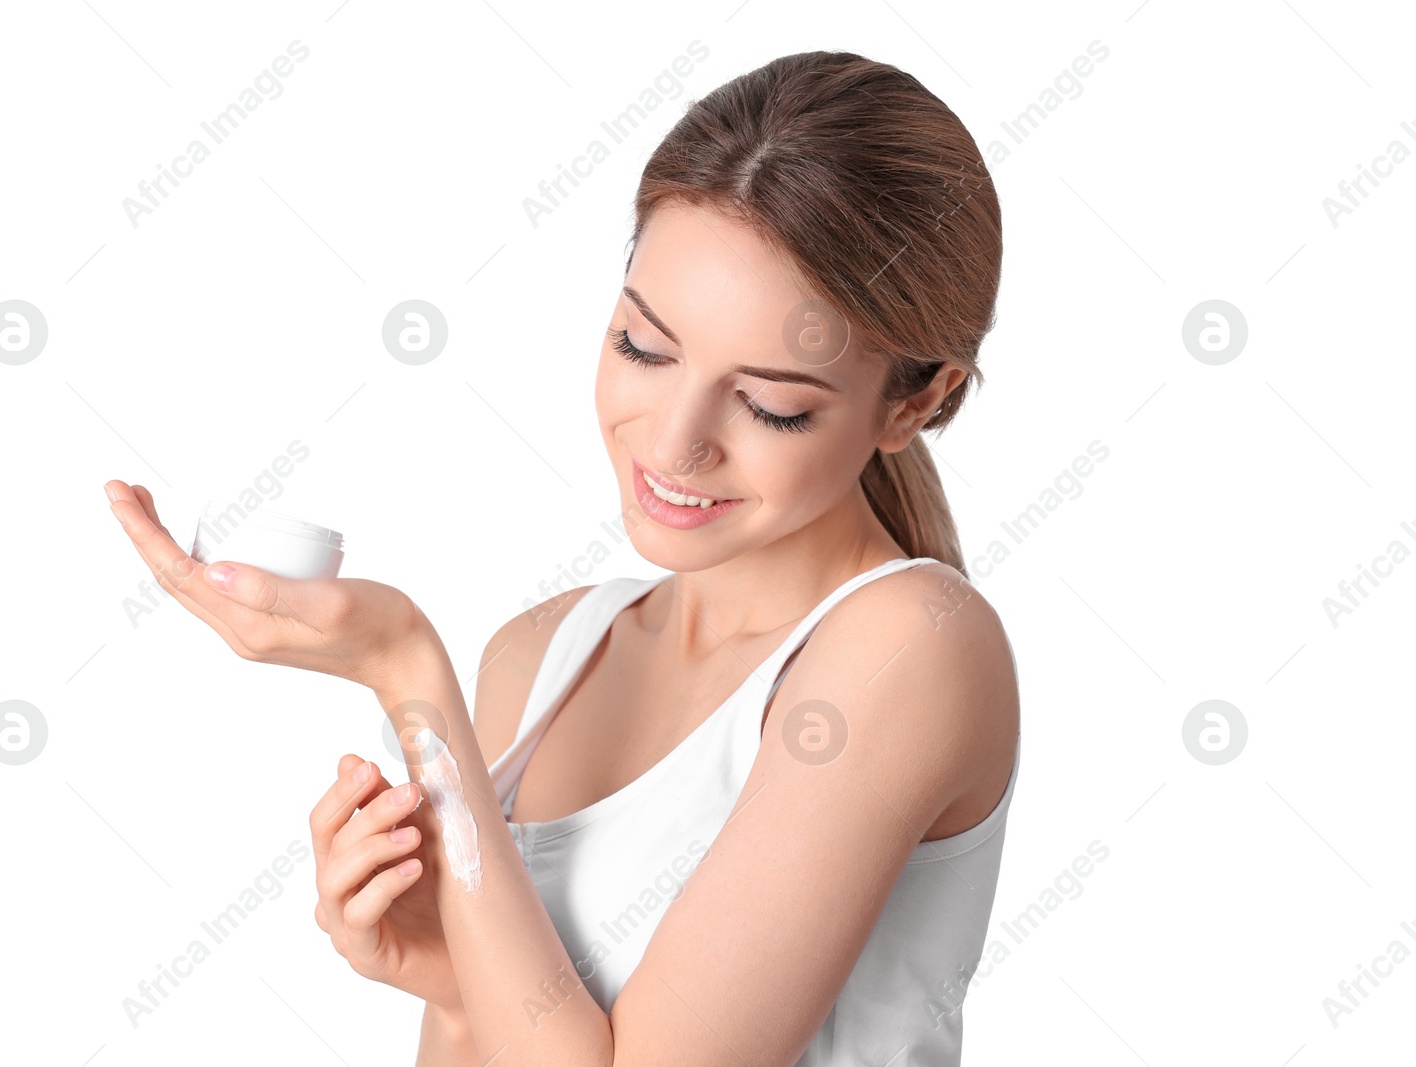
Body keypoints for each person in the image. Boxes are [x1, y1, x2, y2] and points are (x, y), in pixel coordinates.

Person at [106, 49, 1019, 1066]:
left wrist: (405, 670)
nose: (674, 441)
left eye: (769, 403)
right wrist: (452, 982)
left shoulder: (913, 646)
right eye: (643, 345)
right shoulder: (538, 658)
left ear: (915, 400)